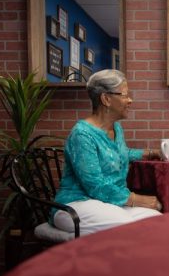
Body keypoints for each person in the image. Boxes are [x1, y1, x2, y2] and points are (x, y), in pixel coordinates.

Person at [54, 69, 162, 235]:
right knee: (130, 227)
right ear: (106, 99)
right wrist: (136, 199)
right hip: (76, 205)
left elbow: (118, 153)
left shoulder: (116, 128)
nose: (130, 100)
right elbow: (95, 186)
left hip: (110, 203)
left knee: (156, 220)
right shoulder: (82, 134)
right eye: (125, 95)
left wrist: (147, 153)